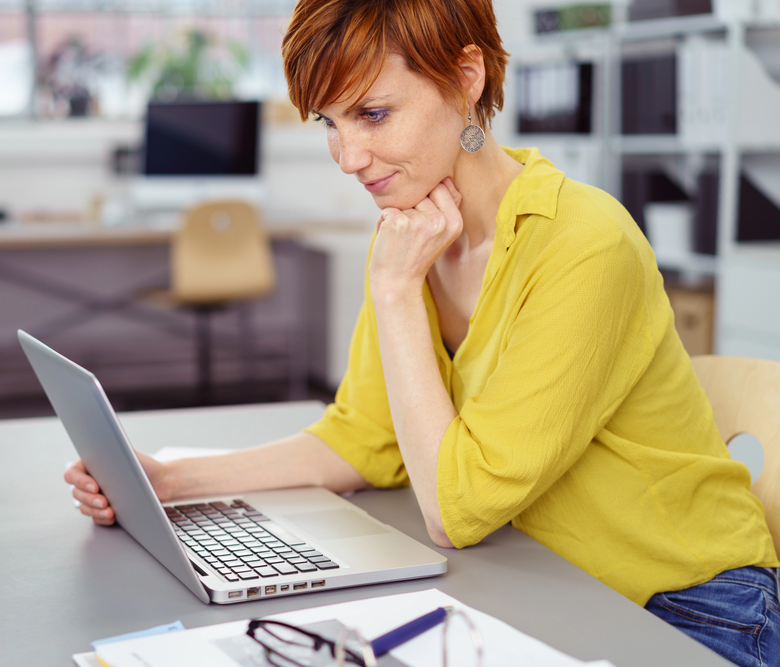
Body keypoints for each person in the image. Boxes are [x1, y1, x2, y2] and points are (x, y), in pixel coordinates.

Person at [66, 1, 780, 664]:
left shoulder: (583, 244)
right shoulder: (410, 235)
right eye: (331, 123)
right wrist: (168, 482)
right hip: (543, 585)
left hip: (693, 610)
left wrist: (398, 291)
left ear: (465, 79)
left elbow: (457, 510)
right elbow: (363, 437)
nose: (348, 157)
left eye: (373, 114)